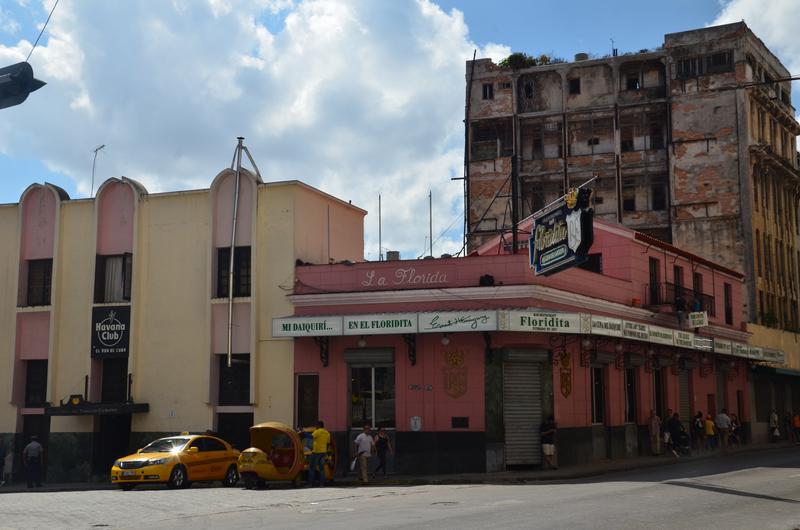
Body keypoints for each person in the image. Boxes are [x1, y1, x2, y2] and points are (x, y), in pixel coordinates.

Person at [308, 420, 330, 487]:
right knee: (321, 469)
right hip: (323, 453)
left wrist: (304, 434)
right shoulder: (327, 433)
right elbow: (328, 444)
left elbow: (311, 437)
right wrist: (325, 451)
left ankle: (310, 484)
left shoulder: (317, 431)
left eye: (316, 425)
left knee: (312, 468)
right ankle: (321, 484)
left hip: (316, 452)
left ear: (318, 425)